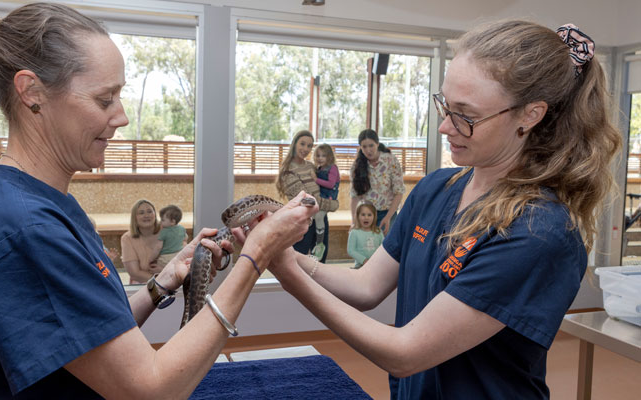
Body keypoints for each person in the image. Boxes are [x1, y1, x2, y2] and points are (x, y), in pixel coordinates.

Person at [0, 3, 317, 399]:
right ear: (32, 92)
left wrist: (162, 283)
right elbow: (152, 391)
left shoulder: (40, 204)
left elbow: (85, 337)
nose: (122, 116)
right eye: (104, 99)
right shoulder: (23, 229)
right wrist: (255, 257)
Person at [266, 20, 621, 399]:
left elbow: (404, 353)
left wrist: (288, 274)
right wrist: (282, 250)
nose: (444, 127)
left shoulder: (538, 230)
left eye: (465, 115)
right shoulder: (437, 188)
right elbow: (366, 286)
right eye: (444, 106)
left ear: (530, 115)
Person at [276, 130, 338, 261]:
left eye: (309, 146)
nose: (306, 149)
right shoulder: (288, 171)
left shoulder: (311, 166)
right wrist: (333, 205)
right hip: (303, 221)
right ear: (294, 144)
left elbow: (323, 188)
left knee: (320, 262)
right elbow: (306, 201)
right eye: (302, 144)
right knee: (300, 262)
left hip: (320, 220)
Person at [350, 129, 406, 235]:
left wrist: (388, 217)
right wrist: (354, 221)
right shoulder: (357, 166)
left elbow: (398, 192)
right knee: (367, 249)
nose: (368, 150)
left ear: (377, 144)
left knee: (386, 247)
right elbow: (355, 196)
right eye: (364, 147)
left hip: (388, 212)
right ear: (360, 147)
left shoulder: (390, 161)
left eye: (371, 145)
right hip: (366, 214)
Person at [120, 199, 164, 284]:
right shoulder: (127, 238)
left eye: (149, 211)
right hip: (142, 286)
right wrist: (160, 279)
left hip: (172, 282)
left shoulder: (168, 232)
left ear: (155, 214)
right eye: (141, 213)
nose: (146, 215)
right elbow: (134, 273)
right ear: (134, 217)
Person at [310, 143, 340, 260]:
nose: (320, 158)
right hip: (321, 196)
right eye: (318, 156)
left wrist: (315, 179)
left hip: (329, 197)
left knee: (319, 216)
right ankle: (316, 243)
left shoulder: (332, 168)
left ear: (329, 157)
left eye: (323, 156)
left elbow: (331, 184)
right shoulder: (319, 168)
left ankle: (320, 244)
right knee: (314, 217)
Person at [347, 201, 383, 269]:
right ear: (358, 216)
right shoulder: (354, 232)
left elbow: (383, 249)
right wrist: (364, 260)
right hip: (360, 266)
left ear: (374, 216)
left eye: (369, 215)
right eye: (363, 215)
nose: (366, 217)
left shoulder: (378, 232)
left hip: (376, 266)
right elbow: (350, 250)